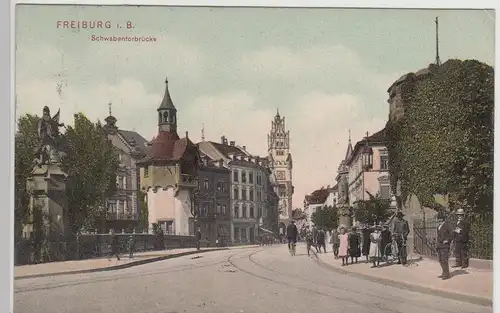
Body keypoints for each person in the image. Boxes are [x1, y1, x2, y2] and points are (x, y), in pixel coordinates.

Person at [436, 210, 454, 280]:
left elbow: (452, 233)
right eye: (438, 219)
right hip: (439, 245)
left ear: (443, 218)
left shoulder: (447, 224)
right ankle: (444, 272)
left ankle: (446, 274)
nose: (439, 220)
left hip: (445, 245)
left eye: (440, 218)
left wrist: (448, 240)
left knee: (444, 259)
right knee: (440, 260)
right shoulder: (439, 226)